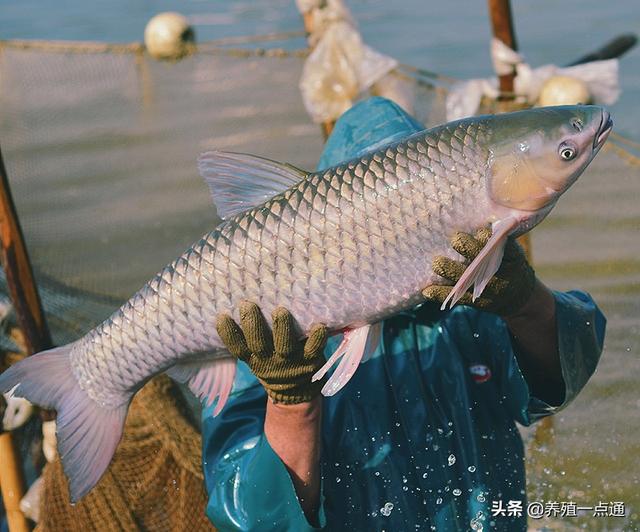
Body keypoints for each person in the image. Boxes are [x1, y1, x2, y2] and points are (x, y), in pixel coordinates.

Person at [201, 97, 605, 531]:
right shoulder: (264, 342)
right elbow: (252, 519)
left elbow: (561, 382)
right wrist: (291, 405)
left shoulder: (471, 307)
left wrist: (526, 302)